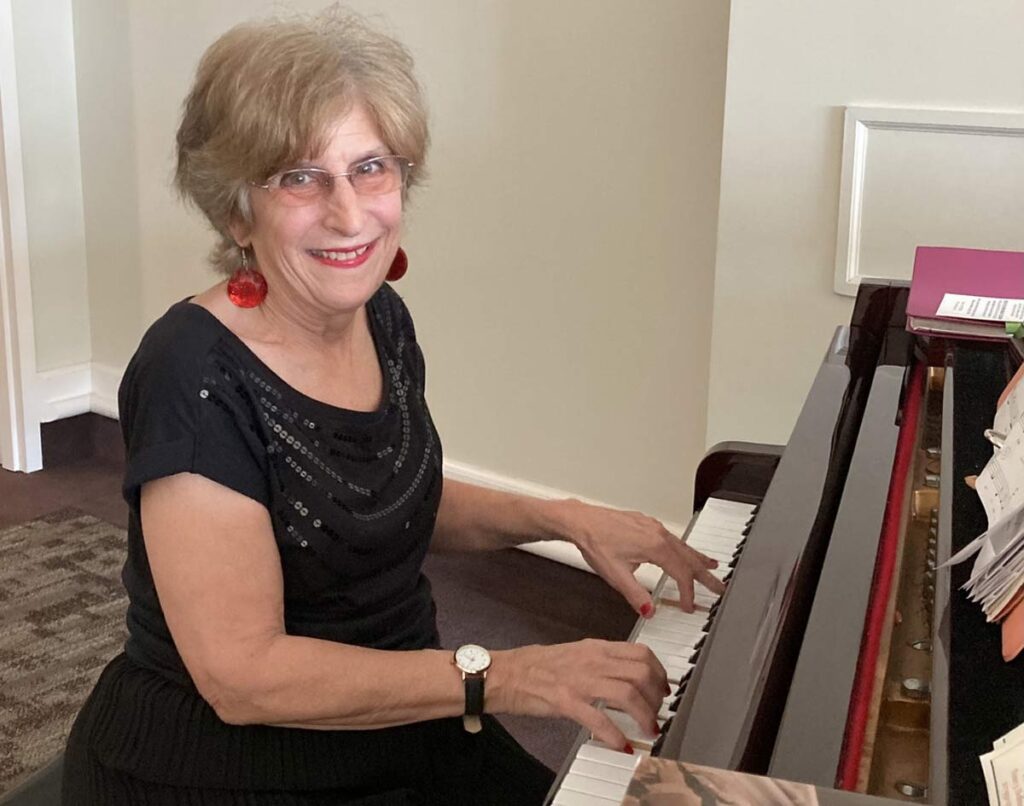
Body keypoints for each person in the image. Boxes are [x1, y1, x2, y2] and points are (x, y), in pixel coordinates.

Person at [61, 9, 723, 805]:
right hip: (232, 766)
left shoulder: (379, 317)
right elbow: (244, 678)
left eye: (370, 167)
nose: (349, 213)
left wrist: (565, 517)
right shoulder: (192, 373)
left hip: (407, 721)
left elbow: (373, 503)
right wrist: (505, 674)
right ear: (237, 211)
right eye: (299, 178)